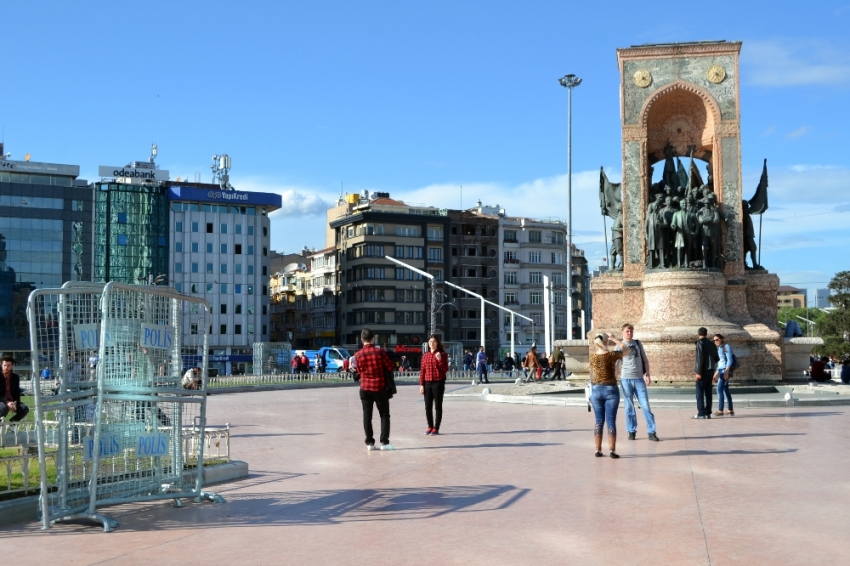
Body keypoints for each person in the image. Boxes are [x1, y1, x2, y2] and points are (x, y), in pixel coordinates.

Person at [616, 323, 659, 441]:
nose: (629, 333)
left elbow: (645, 360)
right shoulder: (619, 346)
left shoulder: (638, 343)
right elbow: (616, 364)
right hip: (626, 379)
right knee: (629, 407)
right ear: (622, 332)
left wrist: (647, 374)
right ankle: (631, 431)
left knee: (645, 405)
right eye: (627, 331)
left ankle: (652, 431)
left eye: (631, 331)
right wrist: (615, 379)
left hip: (639, 379)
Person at [355, 328, 396, 451]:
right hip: (379, 387)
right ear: (373, 339)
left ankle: (369, 443)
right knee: (384, 415)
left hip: (364, 388)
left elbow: (359, 371)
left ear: (362, 340)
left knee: (367, 416)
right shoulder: (380, 352)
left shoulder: (358, 354)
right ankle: (384, 442)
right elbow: (390, 366)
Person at [588, 334, 623, 458]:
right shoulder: (611, 355)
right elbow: (627, 350)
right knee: (611, 421)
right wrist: (615, 339)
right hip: (611, 389)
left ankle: (597, 450)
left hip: (596, 390)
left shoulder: (592, 357)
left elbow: (591, 375)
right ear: (605, 342)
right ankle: (612, 451)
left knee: (598, 421)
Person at [420, 334, 449, 435]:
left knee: (437, 406)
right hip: (427, 383)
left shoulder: (442, 354)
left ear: (437, 343)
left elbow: (445, 369)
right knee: (428, 406)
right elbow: (422, 371)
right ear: (428, 343)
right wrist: (421, 385)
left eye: (434, 341)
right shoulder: (425, 355)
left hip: (438, 382)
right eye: (430, 342)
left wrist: (440, 359)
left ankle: (436, 427)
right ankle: (430, 426)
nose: (432, 343)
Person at [693, 327, 719, 419]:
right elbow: (717, 358)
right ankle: (708, 412)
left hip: (703, 371)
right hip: (711, 370)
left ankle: (701, 413)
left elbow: (700, 358)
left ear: (698, 334)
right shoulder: (712, 344)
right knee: (708, 393)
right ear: (706, 334)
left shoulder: (700, 343)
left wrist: (698, 372)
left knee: (699, 392)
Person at [1, 355, 30, 422]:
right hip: (1, 401)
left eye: (8, 365)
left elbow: (17, 392)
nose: (6, 367)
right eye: (4, 365)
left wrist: (15, 402)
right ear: (1, 365)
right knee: (4, 408)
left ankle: (12, 423)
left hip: (12, 400)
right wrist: (7, 402)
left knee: (24, 409)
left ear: (12, 366)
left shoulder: (15, 377)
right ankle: (1, 425)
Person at [713, 334, 734, 416]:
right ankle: (730, 409)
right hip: (721, 370)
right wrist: (715, 374)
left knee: (719, 390)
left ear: (722, 339)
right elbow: (720, 363)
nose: (716, 341)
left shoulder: (726, 346)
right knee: (725, 390)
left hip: (724, 371)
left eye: (717, 339)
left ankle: (720, 410)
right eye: (714, 340)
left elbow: (730, 360)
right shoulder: (719, 348)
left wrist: (727, 371)